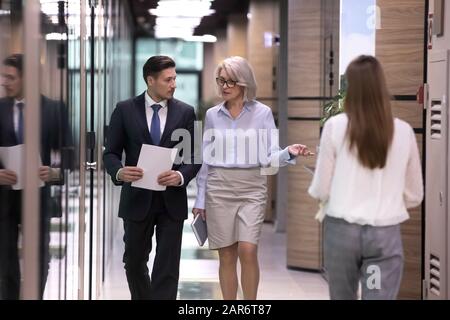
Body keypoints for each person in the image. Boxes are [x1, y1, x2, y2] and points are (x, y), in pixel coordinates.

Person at [192, 56, 313, 300]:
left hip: (252, 189)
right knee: (226, 254)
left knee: (248, 250)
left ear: (244, 83)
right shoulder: (214, 115)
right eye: (221, 80)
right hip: (219, 188)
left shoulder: (263, 113)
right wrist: (200, 199)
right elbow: (205, 159)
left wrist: (287, 152)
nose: (224, 86)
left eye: (230, 81)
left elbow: (269, 156)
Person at [308, 55, 424, 300]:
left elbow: (321, 188)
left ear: (350, 88)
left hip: (342, 233)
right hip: (384, 235)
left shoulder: (335, 127)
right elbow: (415, 195)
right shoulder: (403, 131)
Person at [103, 55, 201, 300]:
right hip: (136, 199)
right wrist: (119, 171)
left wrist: (179, 175)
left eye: (174, 79)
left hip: (172, 200)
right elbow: (111, 153)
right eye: (168, 80)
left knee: (167, 268)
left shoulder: (186, 112)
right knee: (134, 262)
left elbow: (195, 156)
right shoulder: (124, 109)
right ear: (150, 80)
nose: (174, 84)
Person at [0, 54, 70, 299]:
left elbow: (68, 153)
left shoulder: (53, 109)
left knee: (39, 257)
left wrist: (55, 171)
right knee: (5, 260)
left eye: (10, 77)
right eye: (3, 76)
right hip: (4, 199)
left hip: (38, 196)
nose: (4, 82)